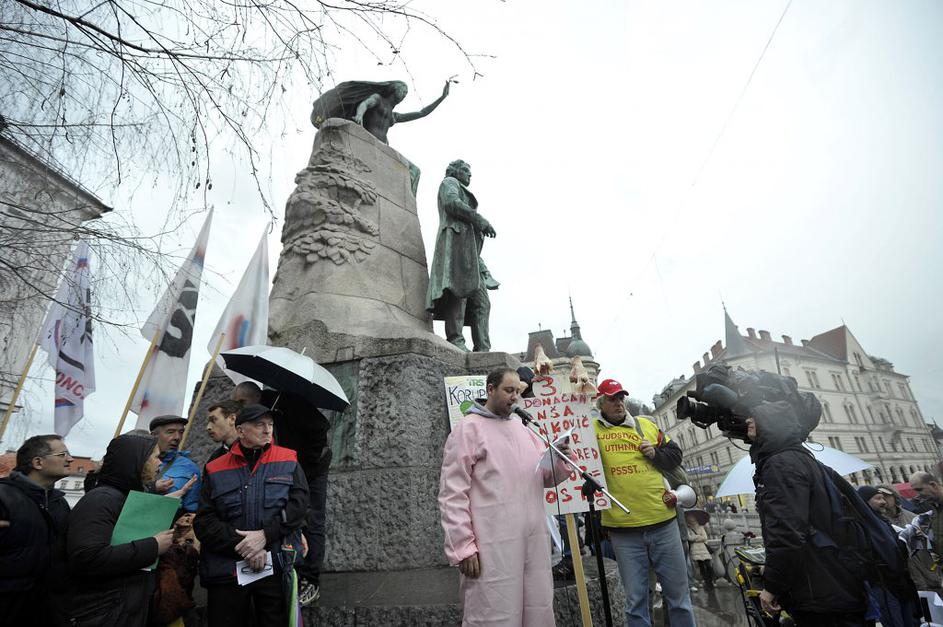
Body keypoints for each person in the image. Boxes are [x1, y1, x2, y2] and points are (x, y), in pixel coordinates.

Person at [438, 367, 575, 626]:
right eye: (509, 390)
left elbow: (544, 477)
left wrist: (558, 456)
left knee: (537, 609)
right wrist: (463, 547)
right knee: (494, 613)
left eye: (518, 392)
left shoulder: (523, 429)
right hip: (492, 545)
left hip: (533, 543)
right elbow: (452, 494)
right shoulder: (467, 429)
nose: (515, 397)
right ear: (490, 389)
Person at [747, 410, 881, 626]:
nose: (747, 421)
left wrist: (772, 586)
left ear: (772, 422)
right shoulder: (800, 458)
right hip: (837, 582)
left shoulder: (780, 464)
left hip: (821, 593)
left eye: (755, 416)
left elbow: (787, 532)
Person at [194, 403, 309, 627]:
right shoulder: (214, 467)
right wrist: (246, 545)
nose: (267, 430)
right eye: (259, 425)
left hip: (275, 569)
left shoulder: (289, 460)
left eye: (270, 424)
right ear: (240, 431)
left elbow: (299, 507)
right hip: (227, 573)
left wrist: (265, 535)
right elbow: (204, 522)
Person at [592, 378, 695, 627]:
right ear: (601, 403)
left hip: (663, 522)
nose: (618, 403)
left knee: (679, 598)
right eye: (612, 398)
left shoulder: (645, 426)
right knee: (636, 602)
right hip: (623, 531)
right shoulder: (590, 430)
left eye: (621, 397)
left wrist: (655, 453)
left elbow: (675, 455)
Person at [232, 381, 330, 606]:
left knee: (312, 519)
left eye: (242, 403)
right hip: (285, 467)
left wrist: (303, 463)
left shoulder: (288, 402)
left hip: (311, 468)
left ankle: (311, 581)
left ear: (255, 397)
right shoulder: (258, 418)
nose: (239, 409)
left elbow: (320, 428)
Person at [67, 433, 176, 627]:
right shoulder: (101, 499)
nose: (160, 463)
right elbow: (88, 557)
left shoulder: (124, 497)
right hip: (100, 611)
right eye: (155, 457)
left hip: (119, 607)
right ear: (137, 460)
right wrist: (153, 546)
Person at [425, 159, 499, 352]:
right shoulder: (449, 182)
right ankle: (456, 340)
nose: (469, 175)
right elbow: (451, 202)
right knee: (459, 294)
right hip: (455, 245)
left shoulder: (458, 185)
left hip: (469, 254)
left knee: (482, 303)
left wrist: (486, 272)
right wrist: (479, 218)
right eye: (466, 170)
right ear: (455, 172)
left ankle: (483, 349)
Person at [0, 435, 74, 626]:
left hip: (46, 610)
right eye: (63, 454)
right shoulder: (3, 496)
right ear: (38, 462)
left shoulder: (59, 503)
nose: (70, 459)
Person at [310, 79, 450, 145]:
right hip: (367, 140)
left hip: (383, 146)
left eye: (406, 93)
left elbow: (421, 113)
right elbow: (365, 104)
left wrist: (442, 98)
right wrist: (359, 115)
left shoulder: (393, 116)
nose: (405, 94)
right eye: (403, 90)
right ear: (394, 88)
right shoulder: (378, 99)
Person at [150, 415, 201, 513]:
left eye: (181, 432)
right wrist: (153, 488)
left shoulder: (190, 468)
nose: (177, 437)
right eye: (170, 432)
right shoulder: (138, 461)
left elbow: (191, 511)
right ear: (153, 435)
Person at [685, 510, 713, 592]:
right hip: (695, 550)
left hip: (704, 549)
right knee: (702, 568)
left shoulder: (701, 527)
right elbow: (689, 538)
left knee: (709, 566)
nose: (692, 520)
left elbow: (704, 537)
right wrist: (698, 537)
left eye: (693, 518)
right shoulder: (687, 528)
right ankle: (706, 583)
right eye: (690, 518)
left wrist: (695, 537)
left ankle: (709, 582)